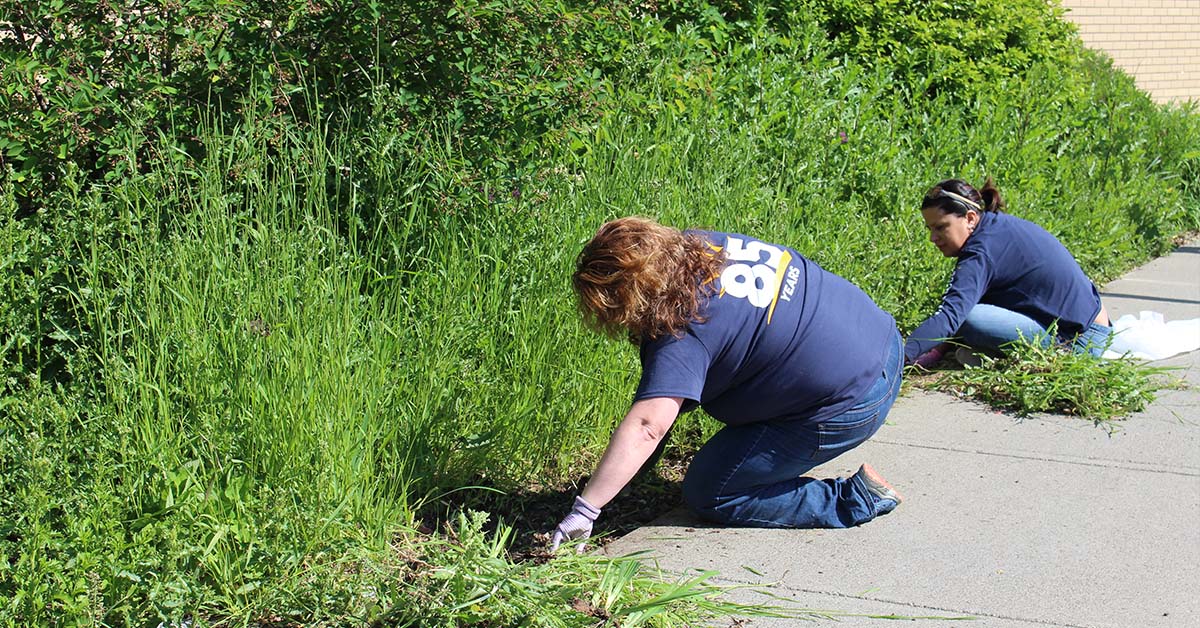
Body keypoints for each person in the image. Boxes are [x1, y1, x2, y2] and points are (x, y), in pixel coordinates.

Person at [549, 216, 905, 552]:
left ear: (625, 300)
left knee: (711, 489)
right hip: (882, 339)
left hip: (854, 402)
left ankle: (855, 499)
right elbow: (665, 399)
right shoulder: (704, 248)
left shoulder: (683, 332)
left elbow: (648, 426)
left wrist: (586, 509)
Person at [905, 178, 1112, 368]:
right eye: (930, 229)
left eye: (941, 227)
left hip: (1081, 341)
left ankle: (1041, 356)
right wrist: (938, 350)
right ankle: (986, 353)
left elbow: (950, 316)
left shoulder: (981, 252)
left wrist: (899, 357)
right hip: (1091, 324)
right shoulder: (994, 227)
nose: (933, 238)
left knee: (970, 318)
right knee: (967, 309)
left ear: (970, 218)